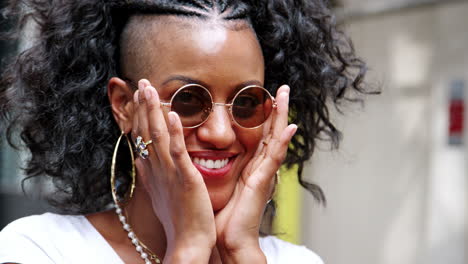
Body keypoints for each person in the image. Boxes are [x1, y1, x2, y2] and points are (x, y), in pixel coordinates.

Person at [0, 0, 369, 263]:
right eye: (188, 100)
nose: (222, 134)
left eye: (246, 102)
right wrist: (189, 248)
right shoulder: (39, 250)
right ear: (125, 106)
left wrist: (241, 253)